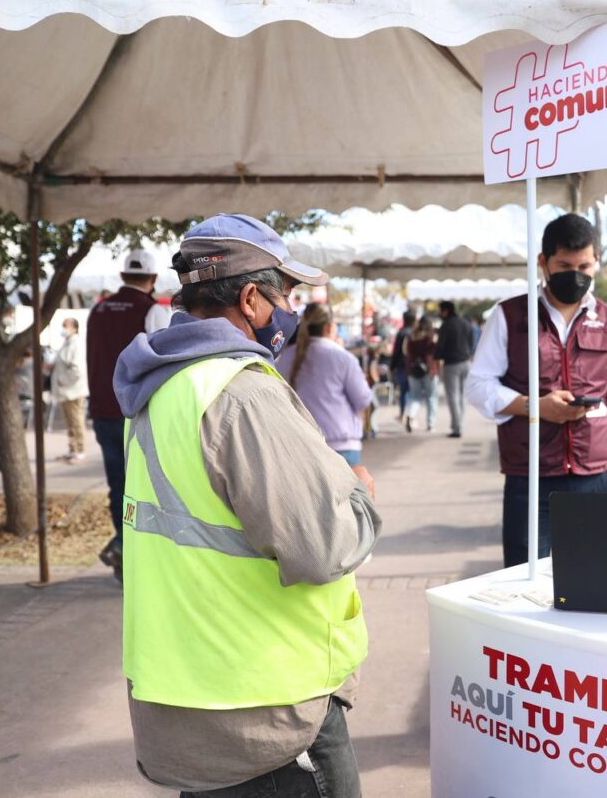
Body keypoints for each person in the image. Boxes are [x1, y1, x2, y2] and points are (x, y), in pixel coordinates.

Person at [113, 213, 381, 797]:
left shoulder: (159, 388)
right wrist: (356, 490)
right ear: (253, 298)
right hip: (269, 717)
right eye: (286, 292)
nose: (292, 307)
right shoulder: (241, 391)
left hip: (184, 703)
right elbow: (322, 547)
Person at [467, 213, 607, 568]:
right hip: (530, 477)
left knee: (599, 578)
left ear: (596, 263)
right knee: (524, 579)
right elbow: (478, 385)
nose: (576, 275)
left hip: (595, 476)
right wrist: (534, 406)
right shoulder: (510, 316)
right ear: (543, 262)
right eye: (565, 265)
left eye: (585, 266)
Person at [86, 247, 170, 580]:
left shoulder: (98, 310)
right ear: (152, 279)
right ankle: (128, 549)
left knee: (117, 486)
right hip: (137, 412)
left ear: (123, 277)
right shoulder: (153, 312)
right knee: (145, 488)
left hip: (103, 410)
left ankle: (122, 547)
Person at [277, 302, 374, 467]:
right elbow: (363, 400)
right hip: (341, 446)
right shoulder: (343, 358)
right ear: (329, 327)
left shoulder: (285, 358)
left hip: (300, 447)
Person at [435, 300, 475, 438]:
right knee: (462, 395)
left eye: (440, 310)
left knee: (452, 396)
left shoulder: (446, 325)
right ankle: (460, 424)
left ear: (446, 311)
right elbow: (472, 341)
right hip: (466, 362)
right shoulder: (465, 323)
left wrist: (436, 358)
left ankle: (457, 428)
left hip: (451, 364)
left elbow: (440, 346)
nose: (439, 313)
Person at [52, 317, 89, 462]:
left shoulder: (77, 344)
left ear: (74, 327)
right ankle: (73, 449)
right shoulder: (68, 343)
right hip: (66, 391)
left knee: (76, 421)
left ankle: (80, 449)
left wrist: (62, 380)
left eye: (65, 325)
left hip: (73, 390)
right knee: (70, 423)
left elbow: (77, 370)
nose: (63, 328)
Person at [403, 314, 438, 433]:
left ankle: (411, 415)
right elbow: (434, 354)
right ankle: (431, 424)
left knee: (414, 396)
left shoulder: (410, 336)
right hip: (428, 370)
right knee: (431, 397)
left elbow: (406, 352)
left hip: (413, 369)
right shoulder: (431, 337)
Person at [389, 311, 415, 421]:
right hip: (413, 367)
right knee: (412, 392)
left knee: (403, 391)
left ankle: (403, 414)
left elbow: (396, 351)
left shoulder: (401, 333)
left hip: (400, 366)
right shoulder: (414, 333)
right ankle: (411, 414)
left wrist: (392, 366)